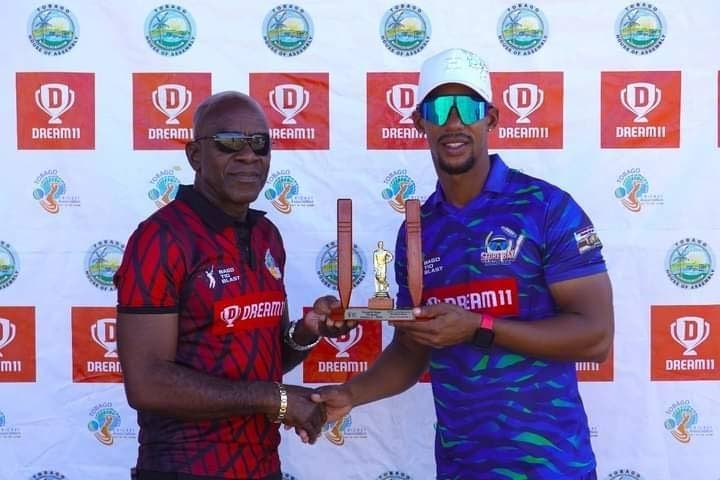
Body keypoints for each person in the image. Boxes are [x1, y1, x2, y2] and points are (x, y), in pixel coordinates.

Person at [312, 48, 614, 480]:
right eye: (439, 108)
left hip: (550, 464)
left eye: (467, 107)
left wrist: (479, 328)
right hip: (461, 468)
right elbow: (412, 349)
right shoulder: (418, 231)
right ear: (420, 123)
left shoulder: (546, 208)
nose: (453, 122)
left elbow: (595, 336)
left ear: (489, 119)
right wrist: (350, 394)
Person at [114, 91, 354, 480]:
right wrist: (274, 399)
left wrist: (308, 333)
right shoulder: (161, 239)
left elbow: (265, 355)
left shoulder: (266, 236)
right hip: (183, 469)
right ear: (195, 155)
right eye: (229, 143)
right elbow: (147, 383)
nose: (248, 156)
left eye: (260, 144)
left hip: (263, 468)